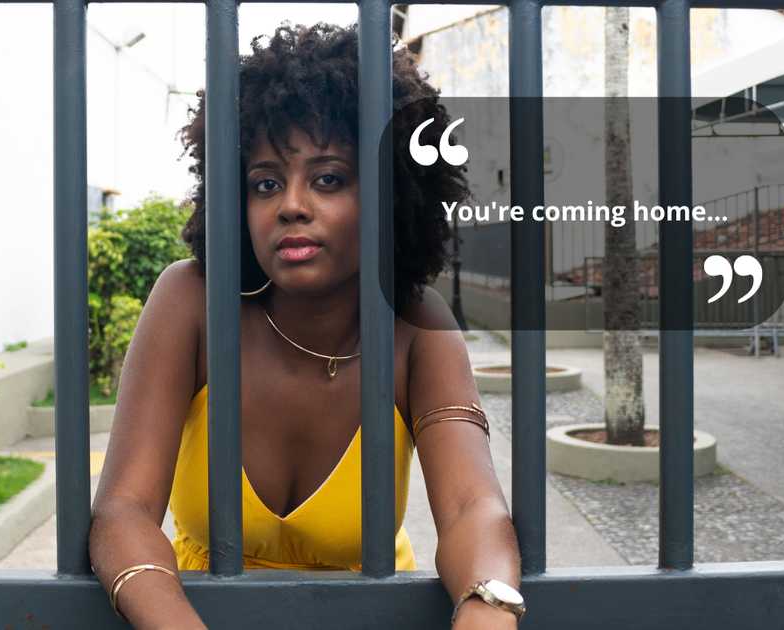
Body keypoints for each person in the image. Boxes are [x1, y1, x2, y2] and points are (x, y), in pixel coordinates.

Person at [89, 21, 522, 629]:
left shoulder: (419, 328)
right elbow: (123, 512)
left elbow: (471, 508)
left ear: (388, 193)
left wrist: (488, 611)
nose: (290, 203)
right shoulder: (191, 302)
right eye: (265, 182)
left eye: (328, 179)